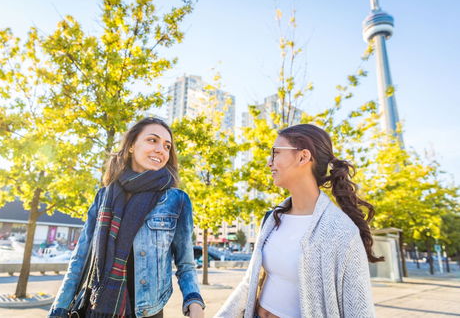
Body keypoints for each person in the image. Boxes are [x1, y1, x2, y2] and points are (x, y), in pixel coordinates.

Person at [216, 124, 383, 318]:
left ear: (303, 157)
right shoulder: (272, 219)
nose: (269, 162)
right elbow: (249, 282)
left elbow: (359, 312)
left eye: (276, 153)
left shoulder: (342, 232)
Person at [48, 117, 205, 318]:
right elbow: (80, 257)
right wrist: (59, 308)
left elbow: (185, 263)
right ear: (131, 146)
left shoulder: (176, 200)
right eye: (152, 140)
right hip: (97, 306)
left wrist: (194, 301)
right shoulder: (104, 197)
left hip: (148, 311)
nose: (161, 150)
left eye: (167, 146)